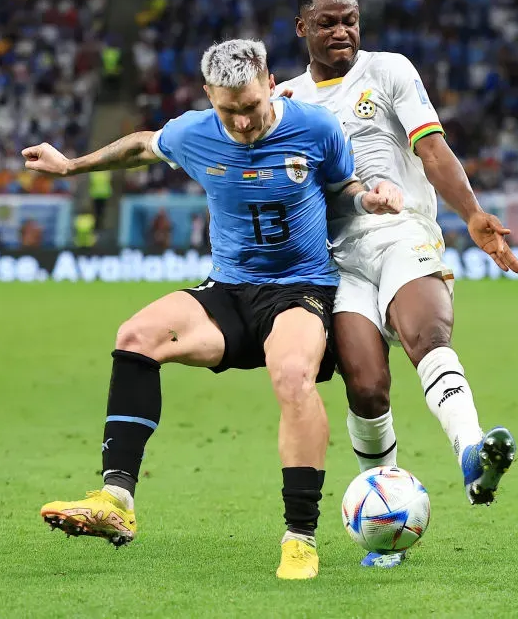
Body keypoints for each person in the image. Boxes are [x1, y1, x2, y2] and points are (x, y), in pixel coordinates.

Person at [23, 39, 403, 580]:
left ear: (270, 84)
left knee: (293, 377)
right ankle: (117, 500)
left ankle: (299, 538)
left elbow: (344, 186)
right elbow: (141, 145)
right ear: (209, 97)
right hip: (227, 290)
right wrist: (71, 167)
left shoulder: (314, 128)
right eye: (229, 110)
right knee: (135, 335)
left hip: (300, 290)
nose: (243, 122)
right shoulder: (195, 132)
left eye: (251, 107)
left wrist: (372, 196)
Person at [274, 0, 518, 568]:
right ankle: (385, 525)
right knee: (365, 385)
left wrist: (473, 214)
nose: (343, 30)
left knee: (425, 333)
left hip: (402, 232)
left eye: (351, 19)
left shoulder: (388, 70)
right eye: (329, 21)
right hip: (338, 257)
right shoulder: (285, 100)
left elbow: (431, 147)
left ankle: (471, 452)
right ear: (302, 26)